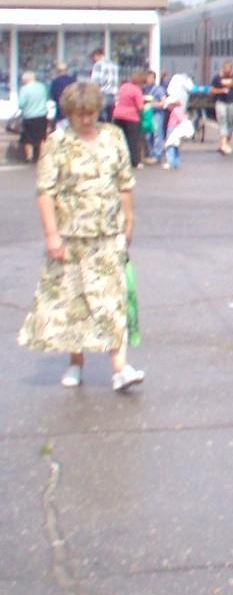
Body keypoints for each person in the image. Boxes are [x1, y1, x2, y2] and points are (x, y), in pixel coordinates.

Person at [17, 80, 143, 391]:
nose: (86, 119)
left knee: (113, 299)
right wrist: (51, 236)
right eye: (79, 114)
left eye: (90, 113)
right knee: (74, 301)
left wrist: (129, 220)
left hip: (108, 232)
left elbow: (125, 181)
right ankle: (76, 362)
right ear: (69, 114)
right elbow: (45, 191)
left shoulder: (113, 136)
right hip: (71, 235)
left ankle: (119, 367)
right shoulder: (57, 142)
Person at [111, 70, 146, 168]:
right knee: (133, 141)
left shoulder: (123, 86)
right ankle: (135, 161)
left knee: (119, 139)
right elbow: (140, 107)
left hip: (118, 115)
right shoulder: (137, 90)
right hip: (131, 117)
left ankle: (118, 160)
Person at [210, 60, 233, 155]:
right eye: (226, 70)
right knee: (223, 121)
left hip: (232, 103)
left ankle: (226, 143)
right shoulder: (217, 78)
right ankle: (224, 144)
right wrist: (221, 90)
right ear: (223, 69)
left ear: (231, 69)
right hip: (220, 102)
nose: (227, 72)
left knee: (230, 123)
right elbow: (212, 90)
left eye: (229, 70)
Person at [17, 70, 51, 163]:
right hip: (41, 115)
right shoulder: (42, 87)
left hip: (29, 116)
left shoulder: (24, 89)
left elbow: (21, 104)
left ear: (26, 80)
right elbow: (47, 98)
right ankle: (41, 156)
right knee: (42, 137)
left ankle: (29, 156)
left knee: (27, 138)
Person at [143, 71, 168, 166]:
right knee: (148, 135)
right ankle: (151, 154)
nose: (148, 80)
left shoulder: (159, 89)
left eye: (150, 78)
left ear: (154, 79)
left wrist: (152, 104)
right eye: (147, 78)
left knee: (157, 134)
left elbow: (163, 103)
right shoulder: (145, 89)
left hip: (157, 114)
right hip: (147, 114)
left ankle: (157, 155)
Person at [89, 48, 119, 121]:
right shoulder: (114, 65)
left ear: (96, 56)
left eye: (93, 58)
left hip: (102, 95)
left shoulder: (98, 65)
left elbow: (95, 83)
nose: (93, 60)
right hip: (112, 97)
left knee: (100, 122)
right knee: (109, 121)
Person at [48, 62, 74, 128]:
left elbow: (53, 96)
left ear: (57, 71)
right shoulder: (73, 80)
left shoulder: (55, 82)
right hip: (72, 110)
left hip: (60, 111)